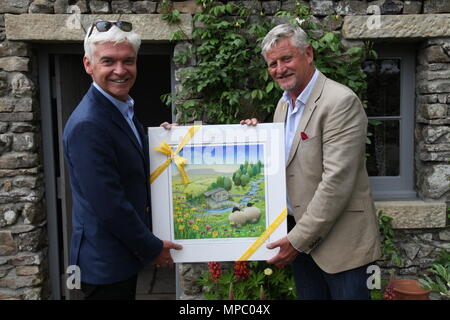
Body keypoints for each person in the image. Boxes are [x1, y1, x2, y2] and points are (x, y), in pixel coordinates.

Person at [241, 24, 381, 300]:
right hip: (301, 240)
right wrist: (252, 140)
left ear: (308, 53)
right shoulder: (283, 105)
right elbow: (284, 165)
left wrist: (297, 240)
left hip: (341, 247)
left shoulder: (339, 102)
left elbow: (336, 182)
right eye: (273, 63)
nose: (280, 69)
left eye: (286, 59)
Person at [63, 21, 182, 300]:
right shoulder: (89, 123)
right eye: (108, 61)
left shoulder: (120, 108)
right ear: (88, 64)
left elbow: (130, 162)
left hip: (116, 257)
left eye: (128, 61)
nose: (120, 70)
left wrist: (166, 143)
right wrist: (152, 247)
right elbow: (109, 204)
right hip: (102, 265)